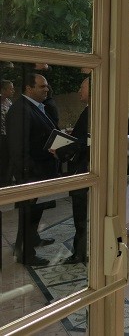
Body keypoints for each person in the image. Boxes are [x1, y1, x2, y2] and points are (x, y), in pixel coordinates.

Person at [7, 73, 59, 266]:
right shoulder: (20, 110)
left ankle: (32, 240)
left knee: (35, 213)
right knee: (27, 215)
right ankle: (25, 254)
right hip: (31, 174)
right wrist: (30, 174)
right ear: (29, 89)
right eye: (42, 86)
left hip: (40, 171)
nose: (46, 89)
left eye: (46, 86)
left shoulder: (34, 107)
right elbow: (18, 149)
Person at [54, 77, 90, 264]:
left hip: (84, 171)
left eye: (82, 87)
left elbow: (84, 143)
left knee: (81, 214)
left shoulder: (91, 112)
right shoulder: (90, 110)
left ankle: (79, 253)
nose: (79, 91)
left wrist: (59, 149)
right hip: (84, 169)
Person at [0, 79, 15, 186]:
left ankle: (7, 183)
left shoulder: (9, 102)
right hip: (1, 138)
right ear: (3, 90)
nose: (13, 90)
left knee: (10, 162)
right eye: (11, 89)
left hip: (9, 136)